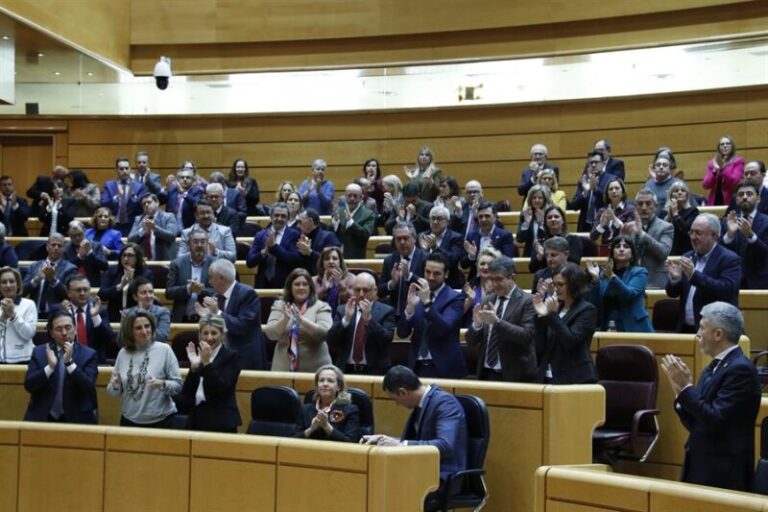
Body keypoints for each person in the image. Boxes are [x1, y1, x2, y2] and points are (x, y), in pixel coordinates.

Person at [660, 302, 760, 492]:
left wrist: (686, 389)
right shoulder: (713, 367)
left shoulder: (741, 370)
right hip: (701, 465)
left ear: (718, 334)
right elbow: (698, 422)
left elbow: (715, 419)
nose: (697, 333)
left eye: (702, 327)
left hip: (724, 473)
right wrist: (680, 392)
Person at [361, 365, 467, 486]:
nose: (397, 404)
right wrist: (383, 439)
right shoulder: (422, 404)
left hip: (443, 475)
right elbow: (417, 442)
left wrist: (400, 445)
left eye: (395, 399)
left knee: (383, 483)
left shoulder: (445, 404)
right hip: (422, 469)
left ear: (403, 392)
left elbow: (445, 445)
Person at [665, 213, 741, 332]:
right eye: (691, 232)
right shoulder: (688, 256)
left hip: (716, 331)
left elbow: (726, 290)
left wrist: (694, 275)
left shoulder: (729, 259)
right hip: (686, 328)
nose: (693, 237)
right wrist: (675, 279)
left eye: (698, 233)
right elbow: (672, 293)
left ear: (714, 235)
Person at [106, 311, 182, 428]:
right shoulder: (123, 353)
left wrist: (162, 384)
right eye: (138, 328)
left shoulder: (164, 350)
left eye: (147, 326)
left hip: (161, 422)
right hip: (129, 421)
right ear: (130, 332)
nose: (144, 331)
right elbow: (112, 391)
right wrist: (116, 386)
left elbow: (178, 386)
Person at [397, 252, 467, 379]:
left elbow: (444, 328)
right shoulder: (415, 295)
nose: (431, 277)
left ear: (446, 274)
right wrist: (409, 309)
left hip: (444, 368)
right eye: (427, 272)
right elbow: (402, 333)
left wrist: (427, 303)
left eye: (436, 273)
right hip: (416, 367)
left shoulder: (455, 298)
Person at [467, 256, 536, 381]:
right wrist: (476, 326)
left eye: (499, 279)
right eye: (491, 279)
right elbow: (471, 342)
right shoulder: (486, 300)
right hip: (485, 373)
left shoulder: (528, 301)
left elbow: (526, 336)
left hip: (514, 375)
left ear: (512, 278)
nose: (494, 284)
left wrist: (497, 322)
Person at [23, 311, 98, 424]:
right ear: (52, 333)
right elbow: (29, 385)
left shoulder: (88, 354)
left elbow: (88, 387)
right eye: (58, 329)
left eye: (68, 327)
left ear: (75, 329)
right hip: (42, 417)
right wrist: (50, 368)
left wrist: (70, 364)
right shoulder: (39, 352)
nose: (64, 333)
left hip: (77, 419)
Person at [195, 258, 266, 370]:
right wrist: (207, 317)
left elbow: (242, 327)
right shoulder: (216, 297)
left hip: (244, 360)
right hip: (222, 360)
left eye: (211, 277)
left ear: (221, 278)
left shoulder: (248, 294)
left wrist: (217, 312)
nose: (209, 282)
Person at [533, 263, 598, 384]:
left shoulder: (587, 310)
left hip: (575, 377)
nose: (556, 289)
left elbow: (571, 341)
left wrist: (552, 315)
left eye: (560, 284)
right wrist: (541, 315)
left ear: (574, 284)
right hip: (548, 373)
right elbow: (540, 344)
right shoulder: (556, 308)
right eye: (554, 284)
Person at [177, 314, 242, 433]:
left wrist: (207, 364)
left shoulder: (231, 357)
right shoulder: (199, 355)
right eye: (205, 333)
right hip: (197, 419)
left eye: (214, 333)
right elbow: (186, 395)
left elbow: (221, 389)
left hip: (222, 422)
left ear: (222, 335)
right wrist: (194, 367)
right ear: (200, 335)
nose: (209, 337)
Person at [264, 268, 333, 372]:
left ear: (310, 287)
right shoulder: (279, 306)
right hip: (283, 368)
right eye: (297, 284)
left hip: (316, 369)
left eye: (305, 284)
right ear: (290, 287)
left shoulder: (321, 306)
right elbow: (271, 334)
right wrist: (285, 319)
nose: (301, 287)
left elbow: (324, 334)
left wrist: (302, 320)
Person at [327, 272, 396, 375]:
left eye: (366, 290)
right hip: (346, 370)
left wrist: (369, 321)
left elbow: (386, 340)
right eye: (357, 290)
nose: (361, 294)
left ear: (375, 291)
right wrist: (346, 319)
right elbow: (331, 340)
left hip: (374, 371)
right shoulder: (342, 310)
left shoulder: (386, 311)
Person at [586, 236, 654, 333]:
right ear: (612, 252)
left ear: (632, 254)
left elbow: (629, 295)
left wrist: (612, 277)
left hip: (635, 326)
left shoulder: (640, 272)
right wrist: (596, 280)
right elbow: (595, 303)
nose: (621, 249)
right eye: (617, 246)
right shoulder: (603, 274)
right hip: (609, 325)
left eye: (626, 247)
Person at [720, 181, 768, 289]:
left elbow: (766, 253)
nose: (745, 197)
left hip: (760, 282)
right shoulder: (726, 222)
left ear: (758, 199)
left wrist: (751, 236)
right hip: (732, 281)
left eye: (749, 194)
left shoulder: (766, 222)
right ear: (736, 200)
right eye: (741, 195)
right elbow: (718, 251)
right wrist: (729, 236)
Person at [622, 188, 673, 288]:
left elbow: (663, 253)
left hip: (655, 281)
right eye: (640, 204)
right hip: (631, 281)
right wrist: (622, 238)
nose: (644, 207)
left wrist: (642, 234)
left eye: (648, 203)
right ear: (636, 207)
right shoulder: (629, 227)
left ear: (655, 207)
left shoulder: (666, 227)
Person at [296, 364, 361, 442]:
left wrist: (326, 426)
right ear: (316, 386)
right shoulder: (305, 409)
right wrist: (311, 429)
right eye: (321, 380)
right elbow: (291, 441)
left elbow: (352, 442)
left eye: (330, 381)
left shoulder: (349, 410)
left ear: (338, 387)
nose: (325, 384)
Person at [377, 221, 428, 318]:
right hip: (394, 315)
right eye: (398, 239)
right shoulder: (389, 260)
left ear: (414, 239)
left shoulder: (425, 258)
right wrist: (392, 283)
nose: (402, 242)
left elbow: (428, 286)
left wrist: (409, 276)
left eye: (405, 238)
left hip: (417, 314)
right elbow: (379, 292)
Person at [246, 202, 302, 288]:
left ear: (288, 218)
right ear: (271, 217)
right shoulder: (260, 235)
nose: (279, 218)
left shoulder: (295, 235)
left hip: (285, 285)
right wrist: (264, 253)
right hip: (262, 284)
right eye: (276, 215)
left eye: (283, 216)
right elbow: (250, 262)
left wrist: (274, 246)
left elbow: (294, 260)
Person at [165, 228, 215, 323]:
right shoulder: (177, 264)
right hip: (182, 319)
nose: (199, 245)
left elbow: (219, 293)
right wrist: (188, 289)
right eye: (195, 242)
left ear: (207, 244)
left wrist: (201, 291)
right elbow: (169, 292)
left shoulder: (215, 264)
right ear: (188, 244)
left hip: (208, 320)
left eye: (203, 242)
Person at [23, 234, 77, 319]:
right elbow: (22, 292)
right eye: (53, 245)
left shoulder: (70, 268)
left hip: (57, 315)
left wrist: (53, 279)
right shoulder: (35, 266)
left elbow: (70, 295)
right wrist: (36, 280)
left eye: (59, 246)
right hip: (32, 313)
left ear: (64, 249)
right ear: (47, 247)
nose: (56, 248)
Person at [97, 243, 154, 322]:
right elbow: (101, 294)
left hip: (137, 316)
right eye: (124, 255)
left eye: (130, 255)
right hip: (114, 315)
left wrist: (132, 282)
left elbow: (144, 297)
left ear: (137, 257)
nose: (126, 258)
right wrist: (120, 286)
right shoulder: (112, 271)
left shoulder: (146, 274)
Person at [461, 201, 516, 281]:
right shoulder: (472, 236)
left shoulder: (505, 235)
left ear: (495, 217)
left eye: (487, 216)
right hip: (476, 280)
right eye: (480, 216)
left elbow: (508, 262)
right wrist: (471, 256)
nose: (483, 219)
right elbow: (463, 265)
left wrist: (494, 254)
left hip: (497, 279)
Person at [569, 150, 619, 232]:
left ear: (603, 164)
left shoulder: (611, 180)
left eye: (596, 162)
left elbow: (610, 201)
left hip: (604, 223)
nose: (593, 165)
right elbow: (574, 206)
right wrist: (585, 192)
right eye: (591, 163)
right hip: (585, 226)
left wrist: (595, 189)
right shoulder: (583, 180)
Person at [418, 205, 466, 289]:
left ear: (447, 221)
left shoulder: (456, 237)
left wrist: (435, 248)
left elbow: (453, 260)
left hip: (449, 283)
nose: (435, 222)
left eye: (439, 219)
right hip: (426, 283)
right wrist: (422, 251)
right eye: (433, 218)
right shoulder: (422, 236)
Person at [0, 266, 38, 364]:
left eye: (11, 281)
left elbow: (29, 334)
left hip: (23, 360)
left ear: (18, 284)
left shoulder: (29, 304)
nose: (8, 285)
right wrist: (3, 318)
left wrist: (13, 316)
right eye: (4, 282)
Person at [529, 205, 581, 273]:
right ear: (546, 222)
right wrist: (539, 257)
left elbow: (574, 263)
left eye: (556, 217)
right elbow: (532, 268)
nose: (553, 219)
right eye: (549, 217)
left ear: (563, 221)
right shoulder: (540, 243)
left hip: (567, 276)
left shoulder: (573, 239)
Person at [127, 192, 178, 260]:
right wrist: (142, 230)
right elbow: (130, 240)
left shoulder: (168, 216)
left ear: (157, 203)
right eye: (143, 204)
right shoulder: (138, 219)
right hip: (144, 262)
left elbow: (172, 236)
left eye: (149, 202)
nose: (146, 205)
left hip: (164, 261)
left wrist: (154, 228)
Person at [101, 156, 145, 236]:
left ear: (130, 169)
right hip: (114, 224)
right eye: (121, 169)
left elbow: (142, 207)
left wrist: (134, 199)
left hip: (132, 225)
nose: (124, 171)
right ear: (116, 170)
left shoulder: (138, 186)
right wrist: (115, 199)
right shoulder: (109, 185)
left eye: (126, 168)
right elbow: (103, 203)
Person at [121, 277, 171, 343]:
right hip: (133, 350)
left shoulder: (163, 312)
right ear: (135, 297)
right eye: (143, 293)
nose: (148, 296)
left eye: (151, 292)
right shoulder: (126, 313)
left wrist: (145, 315)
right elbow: (121, 341)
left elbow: (162, 337)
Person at [333, 183, 376, 260]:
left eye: (355, 196)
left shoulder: (369, 214)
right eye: (349, 196)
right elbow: (333, 234)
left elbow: (366, 234)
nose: (352, 199)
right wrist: (335, 223)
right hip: (338, 256)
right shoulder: (339, 212)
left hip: (357, 256)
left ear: (361, 197)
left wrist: (351, 222)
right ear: (345, 197)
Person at [589, 178, 636, 245]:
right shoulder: (602, 211)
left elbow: (628, 232)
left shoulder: (630, 209)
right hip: (605, 248)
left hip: (622, 247)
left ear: (622, 192)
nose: (614, 191)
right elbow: (592, 237)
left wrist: (614, 219)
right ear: (607, 194)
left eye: (617, 188)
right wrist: (602, 225)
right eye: (611, 189)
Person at [313, 247, 355, 320]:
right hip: (319, 319)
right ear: (322, 263)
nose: (331, 261)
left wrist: (341, 286)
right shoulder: (313, 280)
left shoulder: (351, 279)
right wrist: (323, 289)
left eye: (335, 258)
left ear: (340, 261)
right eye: (327, 259)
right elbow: (308, 305)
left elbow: (355, 302)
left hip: (344, 318)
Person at [703, 136, 745, 206]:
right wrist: (714, 171)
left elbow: (734, 182)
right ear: (719, 147)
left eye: (728, 144)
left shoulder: (738, 161)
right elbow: (706, 185)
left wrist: (722, 169)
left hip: (730, 200)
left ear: (732, 146)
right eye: (722, 144)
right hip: (714, 201)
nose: (725, 146)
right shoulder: (712, 163)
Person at [64, 220, 108, 286]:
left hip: (93, 286)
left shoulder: (96, 246)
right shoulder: (65, 249)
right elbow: (65, 271)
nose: (77, 238)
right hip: (72, 286)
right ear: (68, 234)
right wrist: (79, 257)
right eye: (73, 235)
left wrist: (90, 253)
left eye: (79, 234)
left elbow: (104, 266)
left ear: (84, 231)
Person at [462, 247, 499, 325]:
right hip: (470, 331)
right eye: (482, 264)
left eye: (490, 264)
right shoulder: (470, 286)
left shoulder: (501, 287)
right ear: (477, 266)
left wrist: (491, 296)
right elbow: (458, 313)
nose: (485, 267)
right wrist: (469, 300)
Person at [296, 207, 341, 272]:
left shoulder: (329, 236)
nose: (297, 226)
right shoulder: (301, 237)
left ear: (310, 221)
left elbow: (334, 261)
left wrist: (311, 253)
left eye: (300, 222)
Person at [165, 163, 204, 232]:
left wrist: (183, 192)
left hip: (189, 231)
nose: (185, 179)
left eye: (188, 177)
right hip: (171, 231)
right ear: (177, 180)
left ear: (192, 180)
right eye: (182, 177)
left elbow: (197, 204)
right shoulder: (172, 191)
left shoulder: (197, 192)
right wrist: (166, 188)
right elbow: (158, 200)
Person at [663, 181, 699, 256]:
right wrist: (669, 215)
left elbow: (685, 229)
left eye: (683, 191)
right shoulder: (663, 212)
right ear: (671, 196)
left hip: (685, 250)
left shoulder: (693, 212)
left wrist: (675, 214)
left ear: (687, 195)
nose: (680, 193)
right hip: (667, 249)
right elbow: (660, 230)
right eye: (676, 191)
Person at [517, 185, 553, 257]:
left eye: (540, 198)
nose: (537, 200)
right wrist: (526, 223)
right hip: (529, 254)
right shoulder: (526, 214)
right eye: (534, 198)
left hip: (548, 254)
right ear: (530, 200)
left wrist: (542, 223)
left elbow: (552, 236)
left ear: (545, 199)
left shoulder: (551, 214)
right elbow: (520, 239)